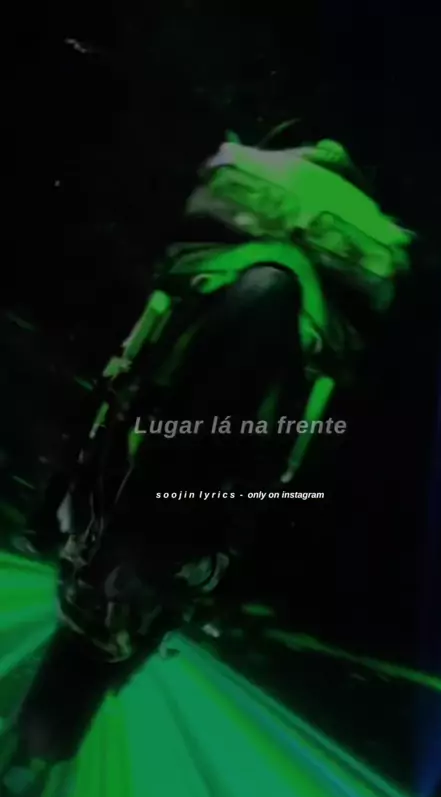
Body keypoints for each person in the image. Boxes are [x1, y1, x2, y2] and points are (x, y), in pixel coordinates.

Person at [21, 135, 414, 662]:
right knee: (287, 462)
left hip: (224, 299)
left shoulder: (255, 189)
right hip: (254, 390)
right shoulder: (336, 274)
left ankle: (52, 508)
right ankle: (222, 580)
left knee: (123, 370)